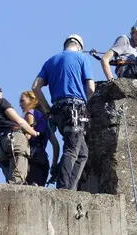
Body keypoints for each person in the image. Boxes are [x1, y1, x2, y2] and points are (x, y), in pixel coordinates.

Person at [32, 34, 95, 191]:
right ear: (80, 47)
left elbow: (35, 86)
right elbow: (91, 88)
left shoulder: (51, 61)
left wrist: (47, 109)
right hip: (75, 109)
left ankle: (70, 188)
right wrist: (86, 102)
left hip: (57, 111)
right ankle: (63, 189)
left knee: (82, 153)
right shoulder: (82, 58)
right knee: (72, 150)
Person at [0, 82, 39, 185]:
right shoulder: (1, 102)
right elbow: (19, 121)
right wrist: (35, 133)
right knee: (18, 177)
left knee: (10, 175)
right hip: (13, 138)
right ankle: (17, 187)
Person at [20, 90, 58, 187]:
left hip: (31, 158)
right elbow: (56, 145)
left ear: (32, 100)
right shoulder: (45, 120)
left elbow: (28, 136)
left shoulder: (30, 113)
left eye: (22, 100)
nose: (20, 104)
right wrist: (54, 165)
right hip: (43, 161)